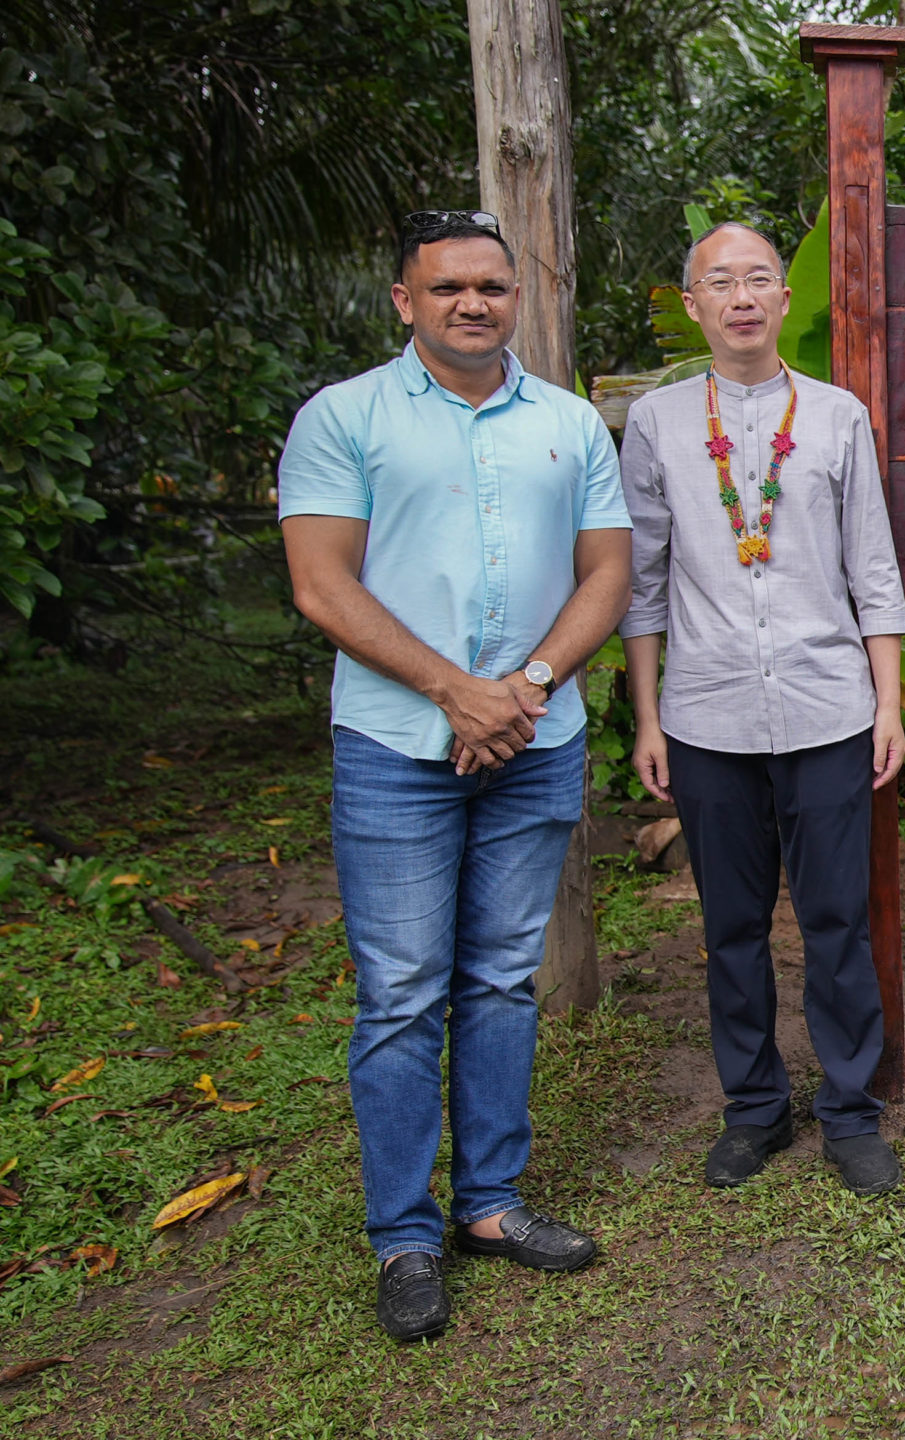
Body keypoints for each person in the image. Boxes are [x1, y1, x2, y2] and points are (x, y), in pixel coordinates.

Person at [278, 209, 633, 1341]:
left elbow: (607, 575)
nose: (471, 304)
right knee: (399, 992)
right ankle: (404, 1236)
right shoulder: (344, 418)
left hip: (534, 740)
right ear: (404, 301)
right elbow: (323, 589)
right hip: (394, 749)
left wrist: (519, 689)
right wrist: (452, 691)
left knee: (496, 978)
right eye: (447, 289)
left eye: (490, 286)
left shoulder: (570, 425)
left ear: (512, 297)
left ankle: (488, 1205)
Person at [620, 223, 905, 1197]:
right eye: (719, 282)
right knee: (732, 927)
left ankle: (851, 1113)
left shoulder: (835, 418)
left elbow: (872, 567)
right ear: (692, 303)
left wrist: (887, 705)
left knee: (838, 920)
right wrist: (648, 717)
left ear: (785, 300)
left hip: (830, 709)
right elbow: (643, 584)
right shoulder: (657, 425)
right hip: (706, 720)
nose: (740, 297)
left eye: (758, 280)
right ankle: (754, 1110)